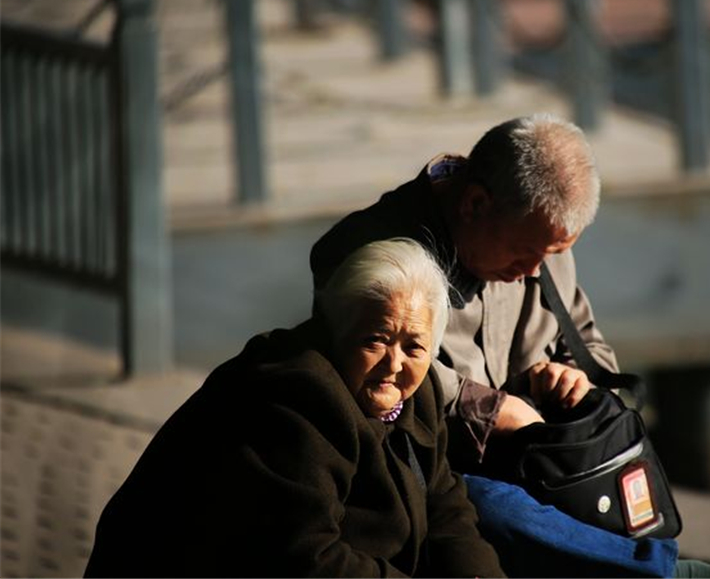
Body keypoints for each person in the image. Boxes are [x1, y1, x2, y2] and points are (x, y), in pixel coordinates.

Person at [84, 239, 506, 578]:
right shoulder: (298, 396)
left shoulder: (420, 388)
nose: (394, 364)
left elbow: (446, 505)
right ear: (335, 328)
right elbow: (305, 557)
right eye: (374, 339)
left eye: (413, 346)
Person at [311, 113, 616, 470]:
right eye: (525, 251)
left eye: (553, 254)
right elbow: (376, 375)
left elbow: (593, 353)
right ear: (474, 205)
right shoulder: (362, 251)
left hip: (543, 463)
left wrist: (574, 380)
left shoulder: (538, 235)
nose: (534, 270)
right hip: (436, 473)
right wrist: (490, 409)